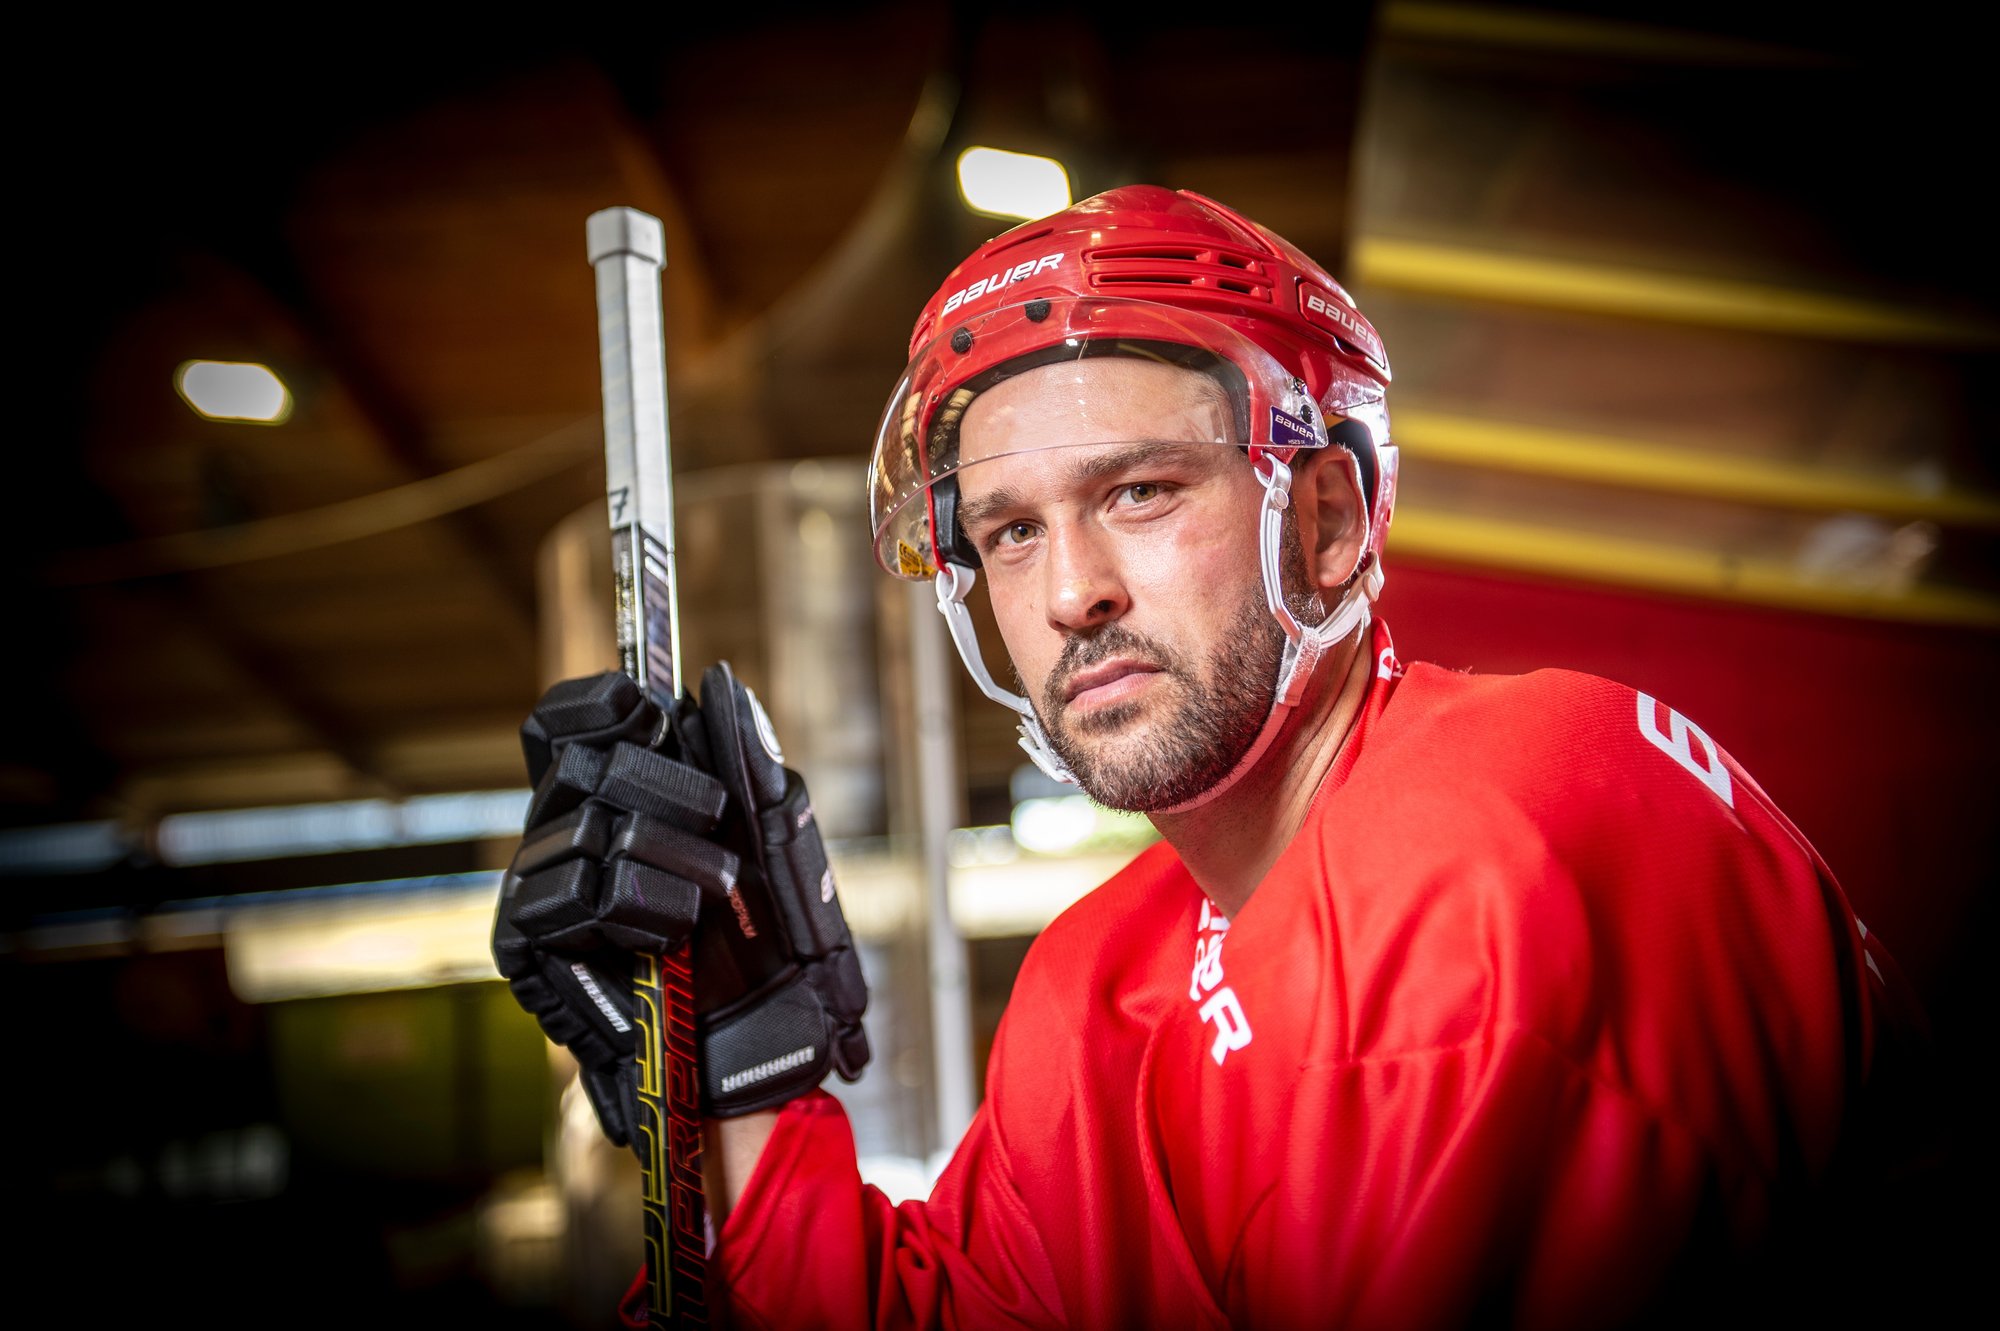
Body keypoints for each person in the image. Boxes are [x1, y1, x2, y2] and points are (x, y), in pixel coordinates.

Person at [495, 186, 1927, 1329]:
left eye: (1137, 490)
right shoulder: (1096, 982)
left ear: (1327, 517)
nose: (1071, 592)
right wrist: (739, 1079)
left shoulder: (1504, 827)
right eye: (1009, 532)